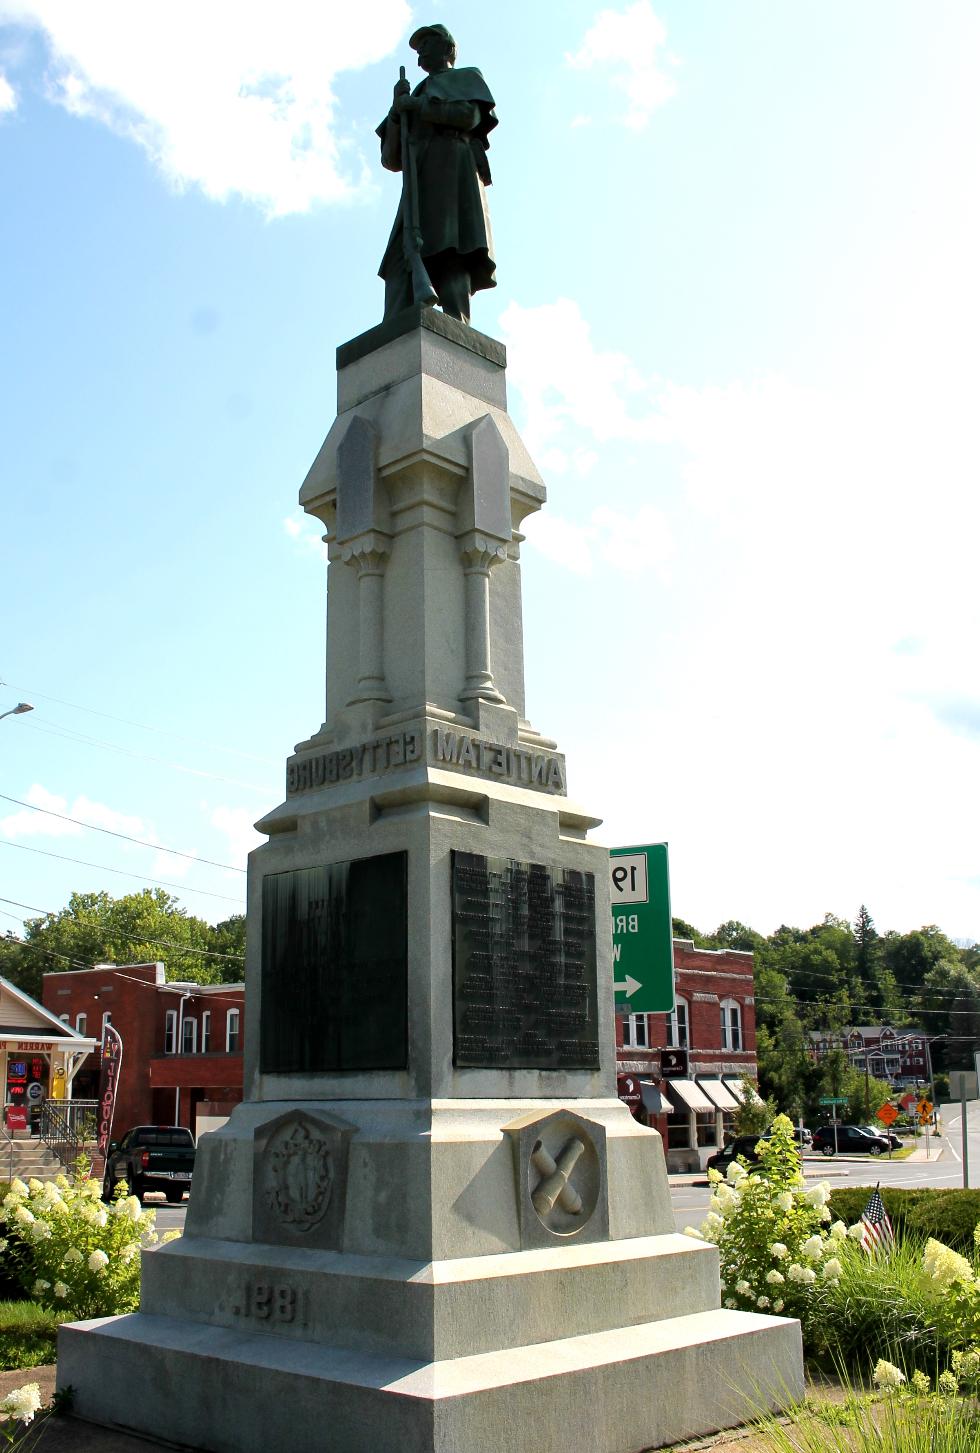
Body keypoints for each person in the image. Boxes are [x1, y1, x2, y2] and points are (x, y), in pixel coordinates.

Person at [376, 23, 497, 323]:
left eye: (425, 48)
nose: (419, 59)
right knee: (398, 262)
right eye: (417, 53)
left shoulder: (467, 78)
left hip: (452, 172)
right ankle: (397, 337)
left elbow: (468, 116)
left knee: (451, 253)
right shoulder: (414, 93)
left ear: (447, 48)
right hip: (419, 182)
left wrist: (418, 107)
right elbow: (391, 159)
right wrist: (396, 112)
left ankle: (456, 329)